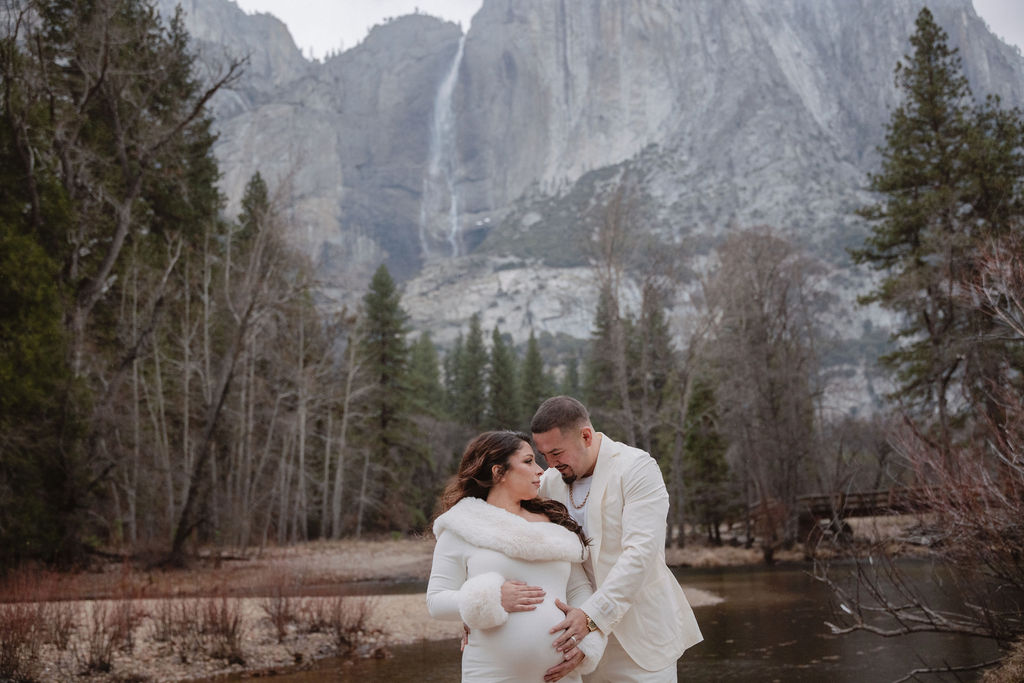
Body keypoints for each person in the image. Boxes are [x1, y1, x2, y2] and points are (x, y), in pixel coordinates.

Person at [531, 396, 702, 682]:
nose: (549, 463)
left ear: (586, 435)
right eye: (543, 454)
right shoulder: (549, 482)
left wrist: (591, 616)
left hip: (643, 639)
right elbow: (512, 534)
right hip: (578, 646)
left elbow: (641, 554)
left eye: (556, 452)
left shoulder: (636, 468)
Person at [427, 431, 607, 682]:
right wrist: (490, 598)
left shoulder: (556, 525)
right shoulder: (462, 525)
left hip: (561, 676)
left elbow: (578, 589)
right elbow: (436, 602)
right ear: (498, 472)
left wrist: (585, 644)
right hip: (491, 673)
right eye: (528, 461)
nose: (541, 470)